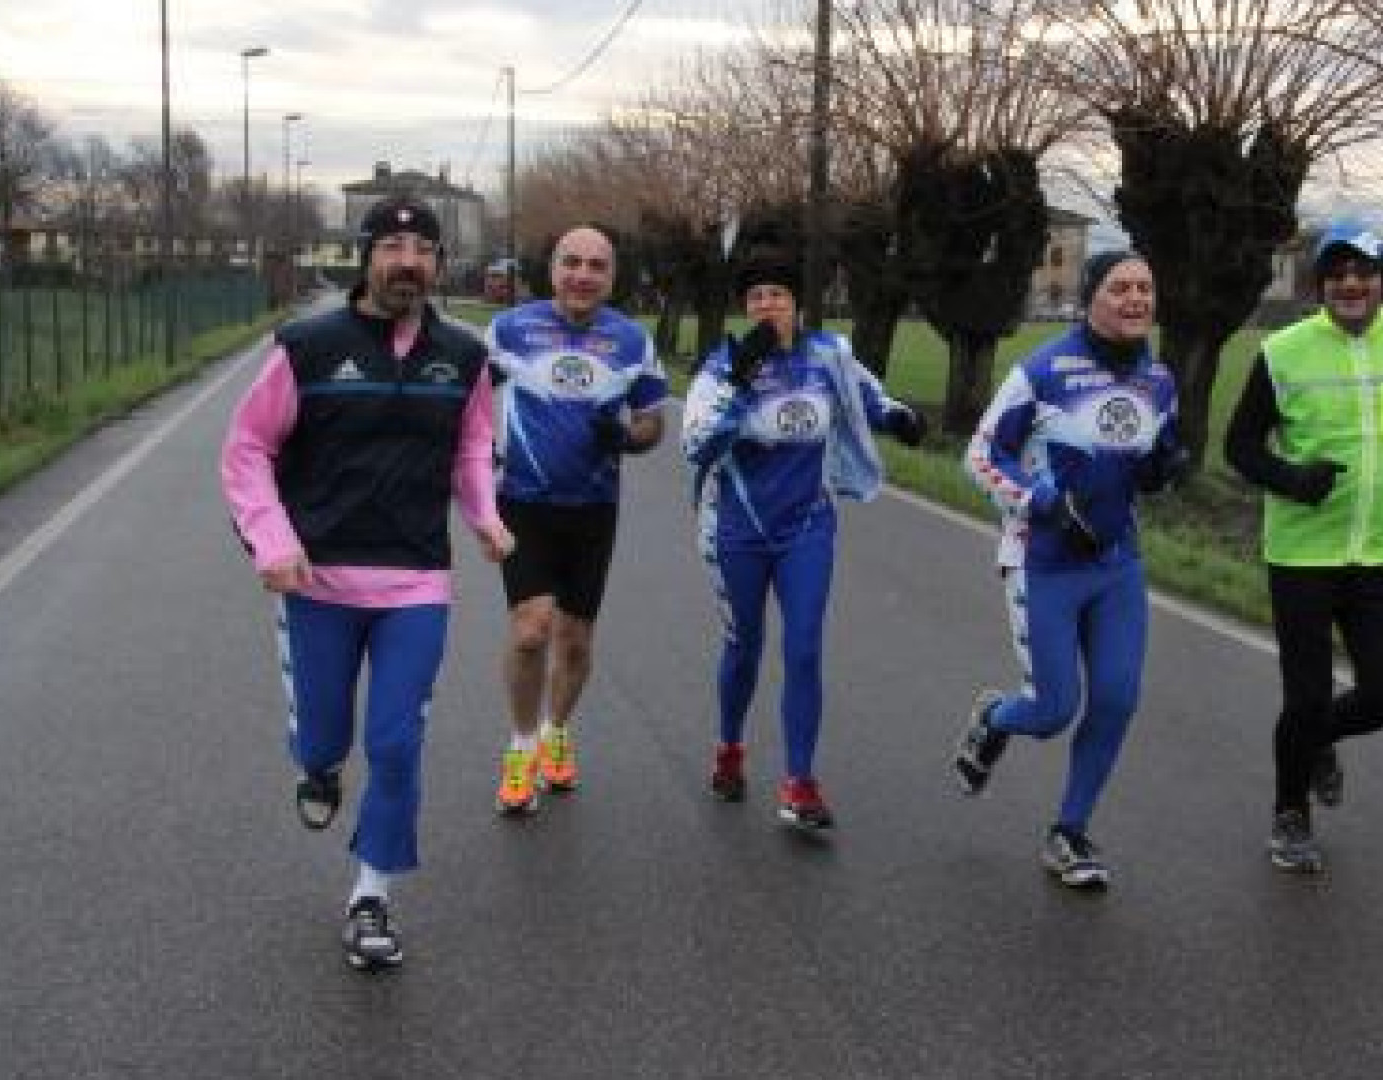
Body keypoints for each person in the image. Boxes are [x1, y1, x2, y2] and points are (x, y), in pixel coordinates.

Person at [221, 194, 514, 969]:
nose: (408, 263)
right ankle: (317, 764)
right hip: (316, 580)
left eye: (423, 252)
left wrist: (483, 513)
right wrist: (273, 541)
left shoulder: (467, 355)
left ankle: (371, 893)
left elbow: (471, 446)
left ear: (440, 265)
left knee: (395, 742)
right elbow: (247, 449)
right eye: (391, 247)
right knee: (326, 736)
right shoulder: (306, 347)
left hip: (416, 580)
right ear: (367, 257)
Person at [951, 250, 1185, 890]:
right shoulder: (1043, 371)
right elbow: (980, 455)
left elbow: (1152, 463)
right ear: (1091, 298)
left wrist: (1165, 467)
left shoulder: (1159, 380)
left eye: (1145, 287)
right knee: (1054, 709)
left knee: (1116, 700)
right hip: (1044, 561)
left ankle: (1069, 831)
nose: (1135, 298)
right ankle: (994, 719)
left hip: (1117, 564)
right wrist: (1046, 502)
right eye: (1119, 288)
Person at [1224, 218, 1383, 874]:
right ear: (1320, 284)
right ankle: (1290, 815)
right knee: (1306, 698)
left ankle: (1314, 741)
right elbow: (1239, 447)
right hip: (1302, 556)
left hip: (1381, 553)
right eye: (1337, 274)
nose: (1351, 284)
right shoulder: (1283, 352)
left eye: (1363, 273)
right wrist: (1293, 479)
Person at [681, 259, 926, 832]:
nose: (768, 305)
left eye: (778, 294)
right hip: (737, 529)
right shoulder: (722, 365)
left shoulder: (827, 355)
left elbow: (868, 398)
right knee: (745, 646)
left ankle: (799, 781)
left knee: (805, 647)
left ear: (797, 304)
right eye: (757, 296)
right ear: (747, 308)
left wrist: (900, 419)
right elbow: (697, 444)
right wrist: (741, 383)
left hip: (806, 527)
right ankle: (729, 749)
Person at [485, 226, 668, 813]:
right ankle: (520, 747)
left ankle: (555, 733)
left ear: (611, 278)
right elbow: (463, 397)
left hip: (593, 508)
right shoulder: (512, 329)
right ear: (553, 268)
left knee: (577, 641)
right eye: (571, 263)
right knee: (531, 628)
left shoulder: (632, 341)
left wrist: (626, 437)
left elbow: (652, 423)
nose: (582, 275)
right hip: (523, 500)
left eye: (595, 266)